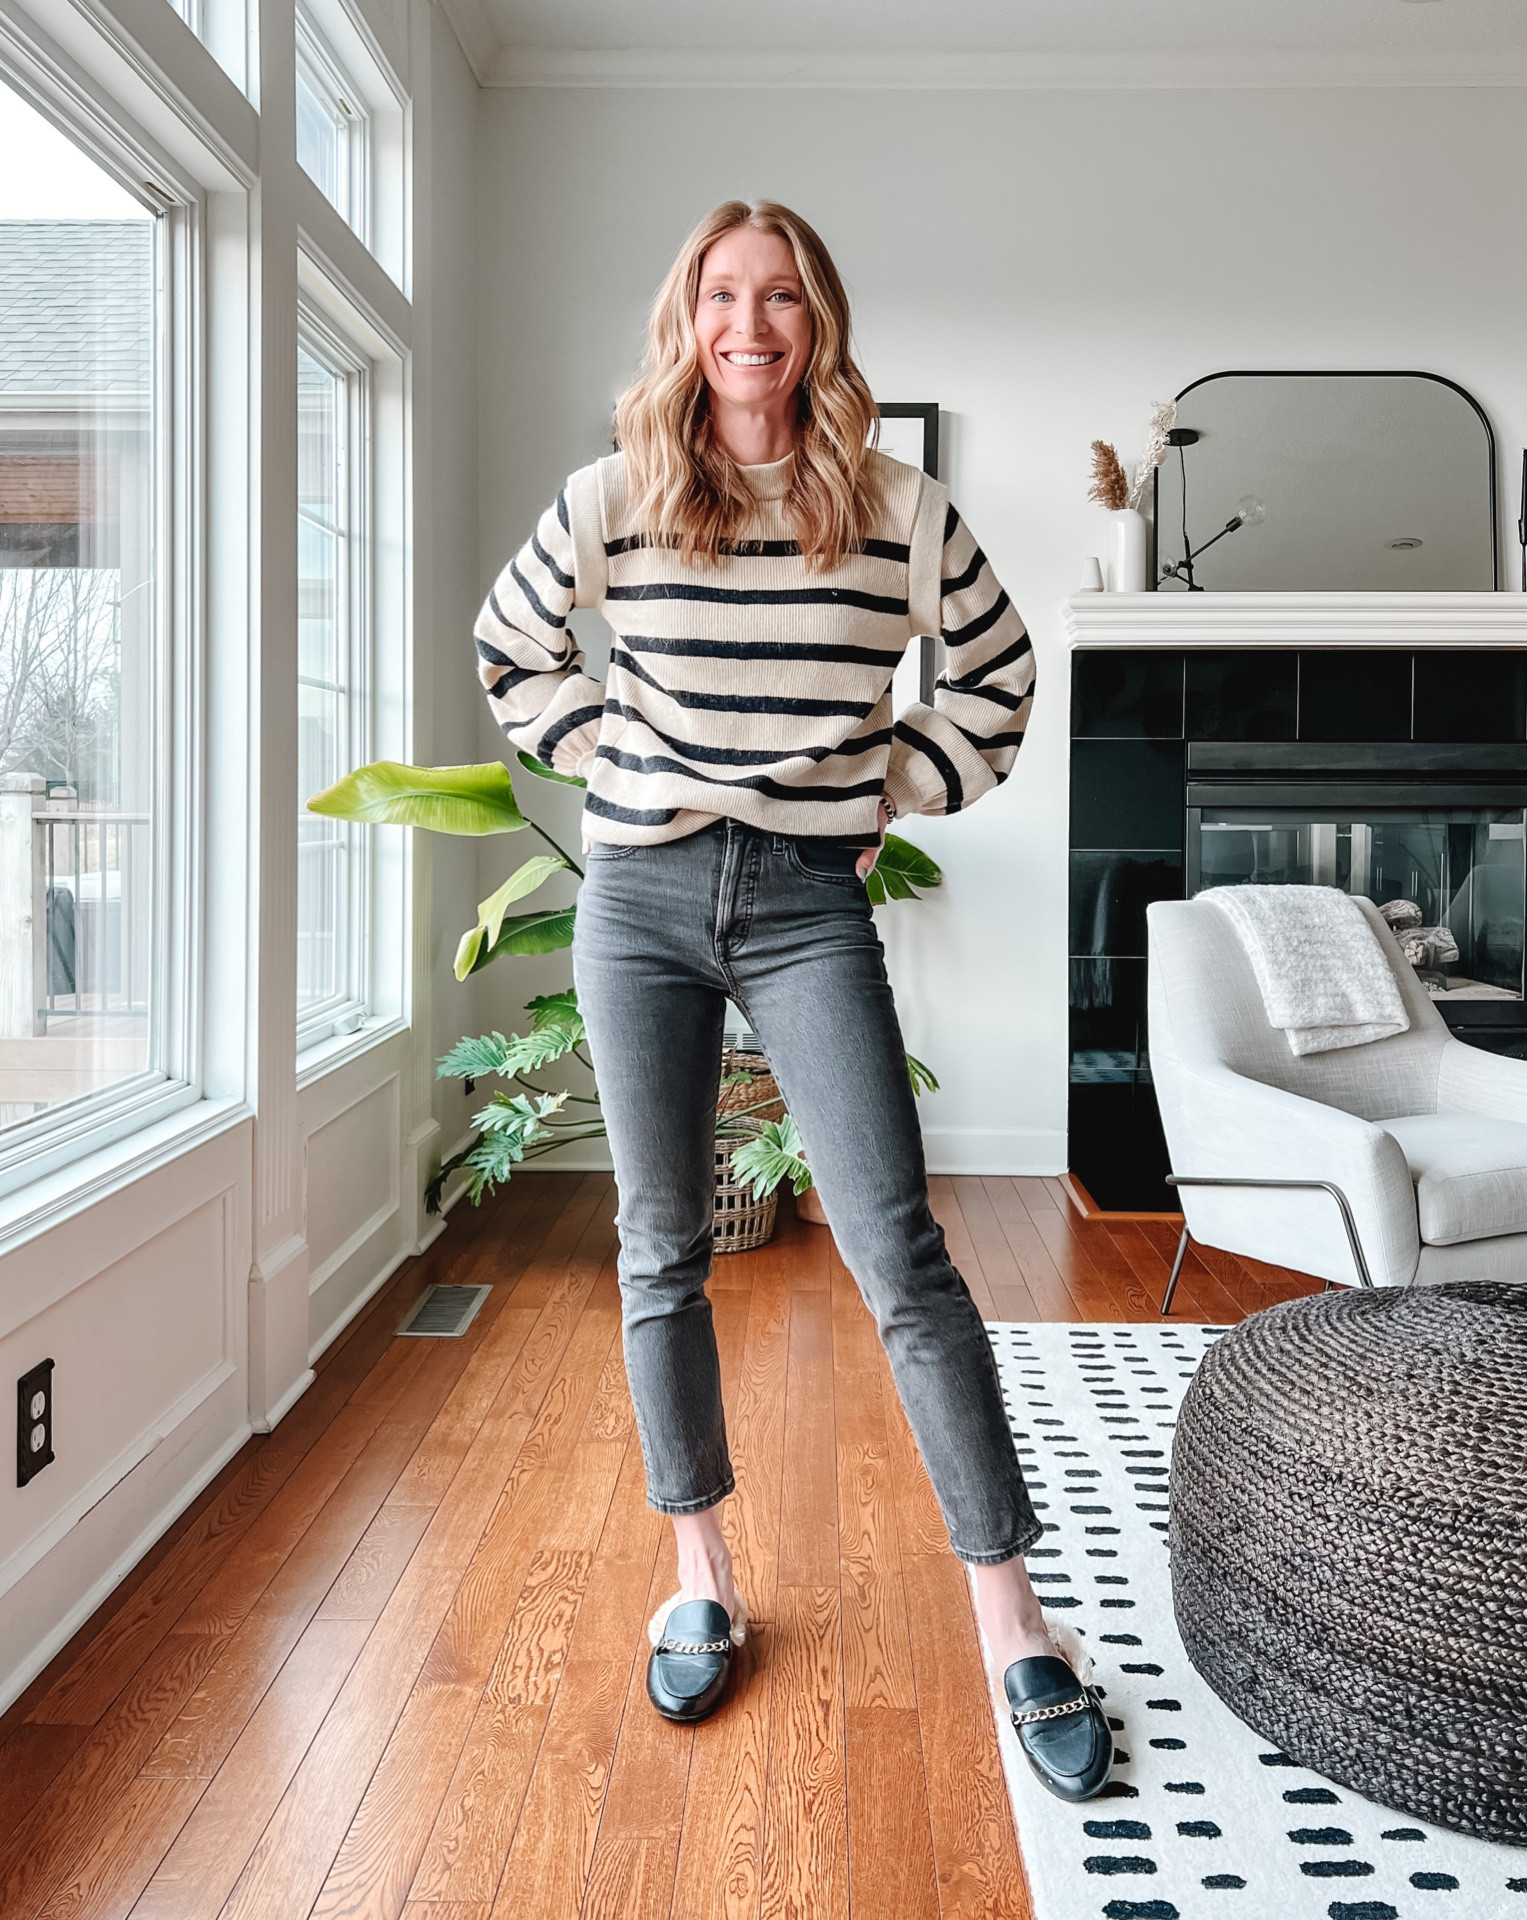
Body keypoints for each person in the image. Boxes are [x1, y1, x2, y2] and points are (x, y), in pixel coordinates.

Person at [471, 199, 1111, 1802]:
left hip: (810, 904)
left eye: (779, 298)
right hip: (640, 903)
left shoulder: (900, 509)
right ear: (685, 320)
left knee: (898, 1248)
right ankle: (698, 1573)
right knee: (660, 1243)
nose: (748, 325)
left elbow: (1001, 681)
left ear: (817, 322)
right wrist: (600, 749)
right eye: (720, 295)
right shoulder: (615, 494)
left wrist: (889, 777)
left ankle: (1013, 1617)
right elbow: (508, 650)